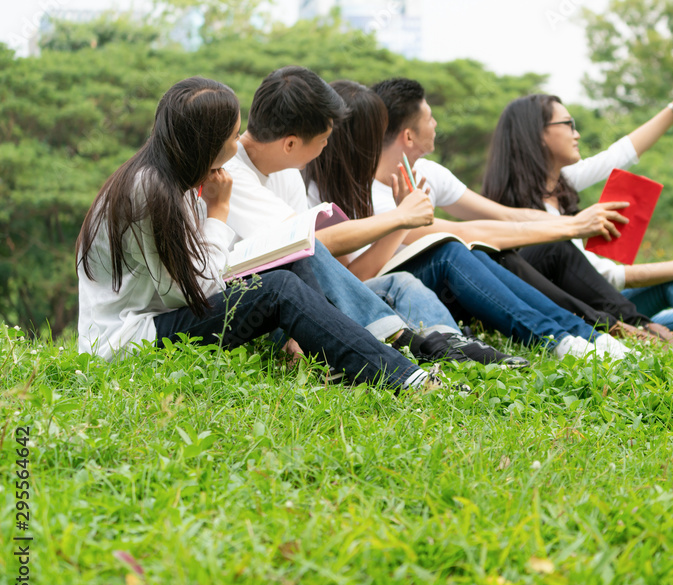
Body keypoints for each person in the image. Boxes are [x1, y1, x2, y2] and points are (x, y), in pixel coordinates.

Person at [76, 77, 438, 392]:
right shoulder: (149, 193)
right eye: (234, 136)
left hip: (157, 318)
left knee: (292, 255)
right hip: (128, 342)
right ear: (207, 143)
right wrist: (219, 213)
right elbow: (193, 293)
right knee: (278, 289)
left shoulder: (169, 179)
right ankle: (402, 377)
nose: (238, 145)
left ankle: (329, 356)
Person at [304, 80, 631, 360]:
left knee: (478, 250)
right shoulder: (327, 191)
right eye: (374, 132)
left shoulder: (399, 179)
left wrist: (567, 225)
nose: (380, 141)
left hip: (407, 282)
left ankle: (584, 335)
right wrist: (401, 220)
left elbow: (494, 219)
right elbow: (349, 283)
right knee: (453, 252)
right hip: (383, 294)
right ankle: (563, 339)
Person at [221, 66, 510, 366]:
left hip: (304, 293)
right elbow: (307, 245)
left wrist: (401, 217)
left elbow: (312, 262)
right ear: (291, 143)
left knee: (401, 283)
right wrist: (400, 217)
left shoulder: (288, 173)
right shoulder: (232, 175)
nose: (325, 147)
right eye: (323, 139)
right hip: (263, 304)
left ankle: (449, 342)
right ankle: (405, 342)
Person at [368, 77, 673, 346]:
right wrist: (572, 226)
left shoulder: (428, 172)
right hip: (437, 290)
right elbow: (468, 233)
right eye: (430, 118)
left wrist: (573, 223)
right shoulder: (375, 196)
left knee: (540, 247)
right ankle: (599, 331)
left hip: (484, 278)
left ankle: (626, 325)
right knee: (488, 252)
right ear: (408, 135)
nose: (436, 124)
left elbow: (502, 215)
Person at [481, 65, 673, 333]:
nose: (577, 134)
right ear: (538, 134)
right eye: (568, 124)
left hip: (606, 306)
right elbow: (605, 278)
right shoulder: (509, 213)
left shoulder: (560, 185)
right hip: (582, 317)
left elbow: (620, 153)